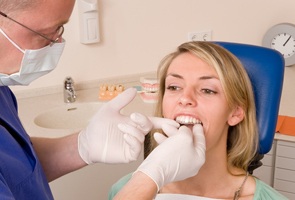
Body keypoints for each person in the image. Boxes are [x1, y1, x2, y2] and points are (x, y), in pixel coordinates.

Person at [0, 1, 205, 199]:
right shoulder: (122, 188)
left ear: (237, 111)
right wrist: (151, 175)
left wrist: (81, 146)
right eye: (47, 33)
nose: (57, 43)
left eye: (207, 90)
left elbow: (17, 168)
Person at [109, 41, 288, 199]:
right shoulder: (126, 189)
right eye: (174, 87)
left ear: (235, 112)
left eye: (207, 90)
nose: (185, 98)